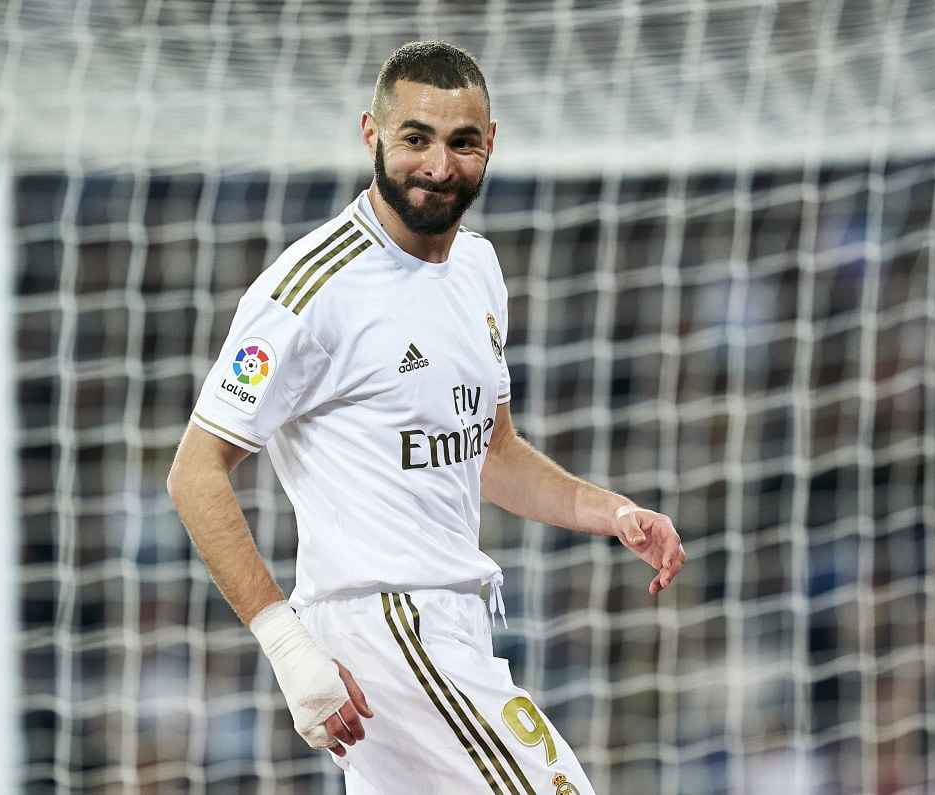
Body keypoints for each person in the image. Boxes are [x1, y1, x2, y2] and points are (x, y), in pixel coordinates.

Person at [167, 40, 685, 795]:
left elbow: (492, 449)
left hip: (452, 622)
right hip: (389, 629)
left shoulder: (477, 267)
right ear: (372, 134)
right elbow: (195, 471)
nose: (439, 166)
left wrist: (610, 511)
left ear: (491, 143)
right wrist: (287, 644)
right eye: (416, 138)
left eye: (461, 142)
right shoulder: (309, 291)